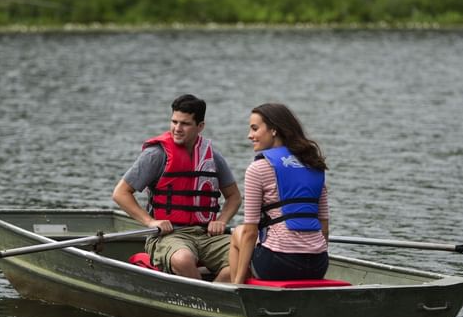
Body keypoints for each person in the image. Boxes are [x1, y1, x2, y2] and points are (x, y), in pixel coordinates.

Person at [112, 94, 242, 282]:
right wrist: (150, 222)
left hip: (207, 235)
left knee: (248, 255)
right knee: (183, 259)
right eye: (174, 122)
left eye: (185, 124)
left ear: (200, 126)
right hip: (169, 235)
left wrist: (222, 220)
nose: (177, 129)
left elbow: (234, 197)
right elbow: (120, 193)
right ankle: (207, 299)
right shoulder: (156, 155)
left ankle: (214, 297)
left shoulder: (212, 157)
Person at [229, 103, 329, 284]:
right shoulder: (314, 163)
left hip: (279, 264)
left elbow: (250, 232)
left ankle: (240, 292)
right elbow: (324, 226)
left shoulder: (258, 168)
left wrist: (237, 282)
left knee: (239, 232)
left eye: (255, 128)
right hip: (318, 264)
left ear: (273, 130)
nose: (249, 135)